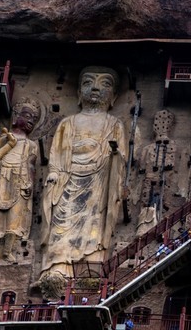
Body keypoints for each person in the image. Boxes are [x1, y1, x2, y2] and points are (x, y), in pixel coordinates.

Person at [39, 67, 127, 297]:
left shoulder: (114, 123)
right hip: (67, 179)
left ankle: (90, 270)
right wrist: (54, 173)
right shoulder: (68, 122)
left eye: (104, 84)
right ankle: (58, 269)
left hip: (99, 179)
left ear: (114, 97)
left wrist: (115, 156)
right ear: (79, 93)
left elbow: (121, 158)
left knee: (94, 225)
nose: (95, 88)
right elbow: (56, 154)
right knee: (61, 225)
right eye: (88, 83)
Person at [0, 99, 41, 262]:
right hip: (0, 175)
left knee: (16, 214)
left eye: (34, 119)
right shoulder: (2, 140)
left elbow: (31, 166)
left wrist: (30, 183)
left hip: (21, 179)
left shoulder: (32, 145)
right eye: (27, 116)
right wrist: (10, 144)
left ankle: (8, 249)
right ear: (16, 116)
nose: (31, 121)